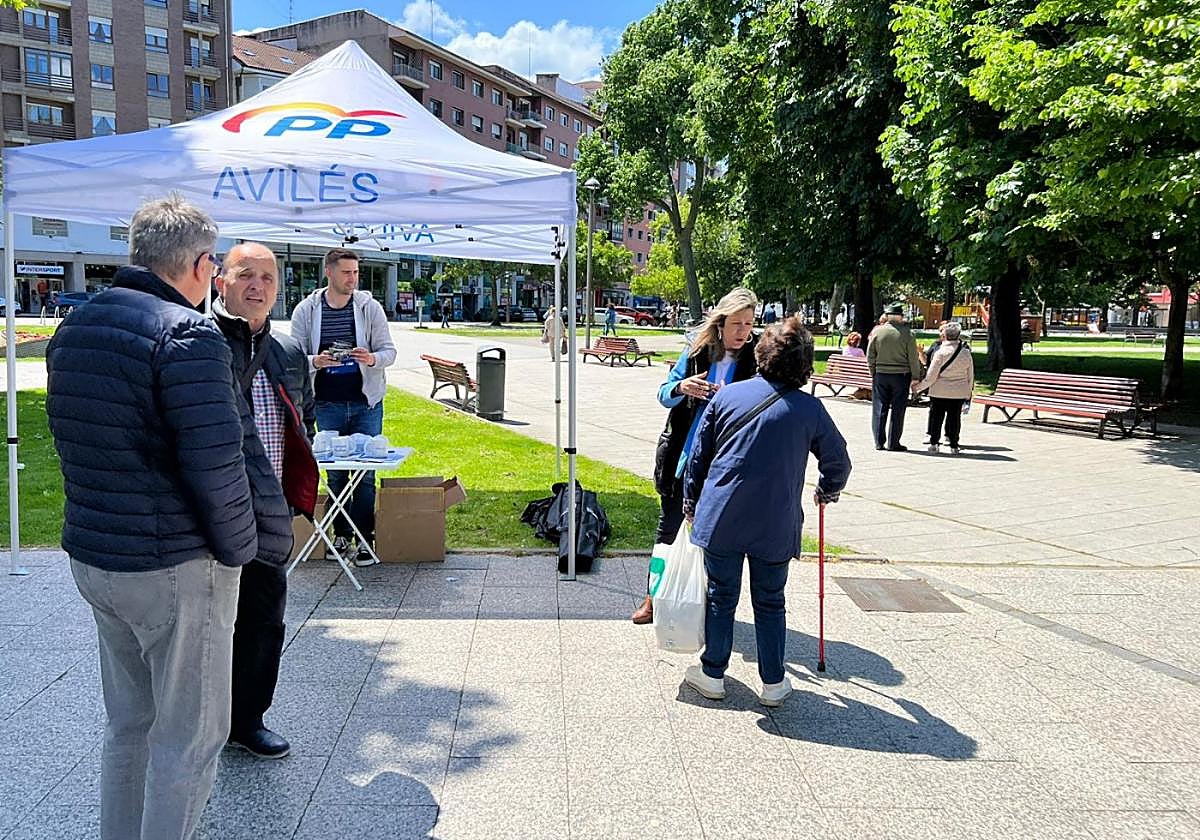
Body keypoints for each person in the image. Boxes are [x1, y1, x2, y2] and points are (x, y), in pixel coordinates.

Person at [44, 195, 280, 840]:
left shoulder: (78, 324)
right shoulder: (189, 333)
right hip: (172, 565)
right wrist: (242, 551)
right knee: (188, 740)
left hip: (97, 555)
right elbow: (218, 463)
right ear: (205, 265)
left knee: (131, 726)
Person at [681, 317, 851, 706]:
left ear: (761, 355)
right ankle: (773, 681)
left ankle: (712, 673)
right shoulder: (810, 410)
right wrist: (828, 491)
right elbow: (838, 462)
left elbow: (699, 458)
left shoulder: (726, 397)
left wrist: (691, 503)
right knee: (771, 600)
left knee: (721, 595)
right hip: (776, 520)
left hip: (722, 515)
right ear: (805, 363)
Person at [213, 243, 318, 760]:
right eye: (245, 275)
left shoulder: (289, 353)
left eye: (269, 278)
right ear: (220, 282)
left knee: (262, 621)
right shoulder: (200, 345)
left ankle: (248, 719)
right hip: (212, 516)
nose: (258, 286)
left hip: (270, 515)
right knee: (209, 625)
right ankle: (204, 721)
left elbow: (304, 418)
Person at [632, 287, 760, 625]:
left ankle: (700, 603)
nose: (743, 332)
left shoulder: (755, 359)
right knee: (669, 528)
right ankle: (652, 598)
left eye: (748, 324)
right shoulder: (696, 351)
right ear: (720, 323)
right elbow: (664, 393)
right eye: (737, 324)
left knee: (715, 538)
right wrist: (682, 387)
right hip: (684, 458)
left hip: (725, 461)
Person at [290, 248, 397, 567]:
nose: (353, 279)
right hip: (326, 404)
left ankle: (364, 539)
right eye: (346, 272)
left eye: (356, 273)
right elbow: (293, 356)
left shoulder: (369, 307)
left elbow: (389, 351)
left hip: (366, 404)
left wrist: (372, 359)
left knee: (365, 474)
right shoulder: (307, 310)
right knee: (336, 475)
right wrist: (315, 361)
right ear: (329, 273)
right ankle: (341, 534)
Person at [912, 321, 975, 454]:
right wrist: (968, 392)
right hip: (958, 391)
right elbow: (970, 375)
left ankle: (934, 443)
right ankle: (954, 444)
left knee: (936, 418)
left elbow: (931, 376)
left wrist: (918, 388)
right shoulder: (966, 353)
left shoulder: (940, 353)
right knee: (954, 418)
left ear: (945, 335)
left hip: (939, 391)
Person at [867, 303, 922, 452]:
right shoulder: (908, 334)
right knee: (898, 409)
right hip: (900, 376)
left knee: (879, 408)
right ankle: (893, 442)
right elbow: (913, 358)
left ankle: (879, 441)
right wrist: (916, 376)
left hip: (881, 374)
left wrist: (874, 372)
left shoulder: (878, 332)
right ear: (900, 316)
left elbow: (870, 354)